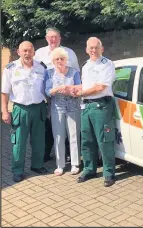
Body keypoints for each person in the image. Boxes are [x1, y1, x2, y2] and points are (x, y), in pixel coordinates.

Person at [1, 41, 48, 182]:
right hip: (20, 109)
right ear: (19, 52)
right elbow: (4, 92)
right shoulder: (10, 68)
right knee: (19, 142)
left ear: (34, 52)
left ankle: (37, 165)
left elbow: (47, 88)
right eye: (24, 51)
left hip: (39, 107)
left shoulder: (41, 67)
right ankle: (17, 170)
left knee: (39, 140)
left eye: (30, 50)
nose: (27, 53)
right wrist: (4, 111)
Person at [73, 37, 116, 187]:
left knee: (104, 140)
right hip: (86, 106)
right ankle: (89, 169)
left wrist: (82, 93)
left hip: (101, 106)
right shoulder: (85, 65)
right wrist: (73, 89)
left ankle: (109, 173)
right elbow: (86, 85)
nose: (93, 50)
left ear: (101, 49)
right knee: (87, 140)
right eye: (90, 48)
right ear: (86, 49)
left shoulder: (107, 64)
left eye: (96, 47)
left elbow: (101, 87)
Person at [34, 27, 80, 163]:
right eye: (50, 37)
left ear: (60, 38)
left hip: (68, 98)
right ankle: (46, 153)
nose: (53, 39)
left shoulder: (69, 53)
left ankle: (68, 155)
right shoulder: (39, 53)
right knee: (49, 128)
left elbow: (76, 72)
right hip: (46, 97)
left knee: (68, 128)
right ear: (46, 38)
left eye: (55, 37)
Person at [44, 47, 81, 176]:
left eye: (62, 58)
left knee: (74, 136)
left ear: (66, 60)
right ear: (53, 61)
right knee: (58, 136)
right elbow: (47, 91)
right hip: (57, 109)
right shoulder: (49, 73)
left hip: (73, 108)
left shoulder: (74, 72)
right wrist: (57, 89)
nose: (59, 61)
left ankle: (75, 163)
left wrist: (70, 89)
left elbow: (79, 88)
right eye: (57, 59)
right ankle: (60, 165)